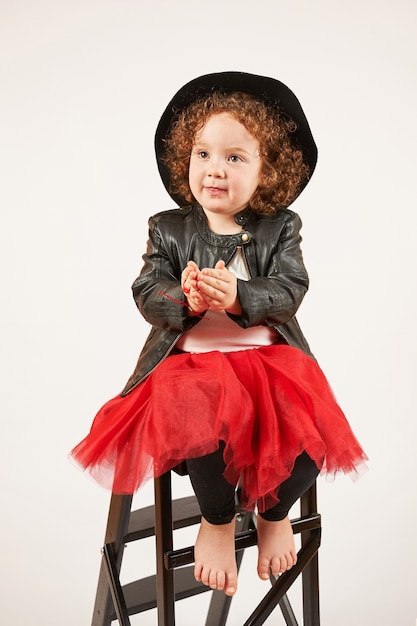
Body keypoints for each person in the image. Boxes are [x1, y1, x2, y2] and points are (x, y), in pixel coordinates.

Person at [71, 71, 367, 597]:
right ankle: (218, 521)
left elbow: (291, 288)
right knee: (202, 421)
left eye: (235, 158)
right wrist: (181, 298)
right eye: (203, 154)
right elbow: (145, 290)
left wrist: (239, 297)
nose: (214, 170)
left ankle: (275, 512)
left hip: (268, 361)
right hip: (189, 366)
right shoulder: (169, 227)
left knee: (314, 441)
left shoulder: (281, 227)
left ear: (267, 171)